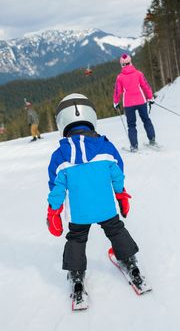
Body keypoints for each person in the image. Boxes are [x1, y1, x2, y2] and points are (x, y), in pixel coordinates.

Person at [46, 93, 140, 295]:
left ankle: (77, 275)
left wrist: (53, 212)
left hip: (80, 214)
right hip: (106, 208)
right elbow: (117, 175)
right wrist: (121, 196)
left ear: (62, 121)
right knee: (115, 229)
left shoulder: (60, 156)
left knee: (77, 238)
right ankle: (131, 263)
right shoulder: (106, 147)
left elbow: (56, 189)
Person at [113, 53, 157, 152]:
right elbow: (146, 86)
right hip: (141, 101)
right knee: (146, 120)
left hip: (128, 104)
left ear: (122, 65)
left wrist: (115, 102)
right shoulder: (138, 73)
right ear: (130, 62)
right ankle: (152, 140)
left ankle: (134, 146)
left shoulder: (120, 77)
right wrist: (150, 97)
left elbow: (117, 91)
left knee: (131, 125)